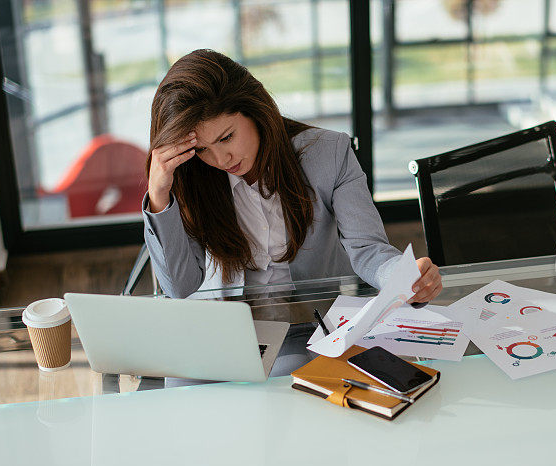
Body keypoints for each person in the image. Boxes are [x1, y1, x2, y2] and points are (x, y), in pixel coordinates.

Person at [142, 49, 442, 301]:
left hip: (312, 322)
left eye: (226, 137)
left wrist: (405, 277)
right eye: (204, 149)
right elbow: (180, 288)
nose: (221, 159)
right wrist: (158, 196)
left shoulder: (329, 153)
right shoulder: (193, 173)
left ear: (254, 111)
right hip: (232, 327)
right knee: (181, 375)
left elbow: (368, 250)